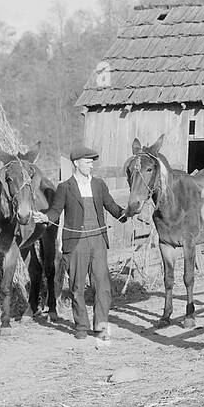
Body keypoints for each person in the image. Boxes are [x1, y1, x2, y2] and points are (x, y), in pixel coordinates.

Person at [40, 145, 138, 340]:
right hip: (76, 242)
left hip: (98, 239)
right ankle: (81, 326)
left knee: (102, 285)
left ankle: (101, 325)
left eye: (92, 162)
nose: (91, 166)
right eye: (87, 162)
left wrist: (126, 213)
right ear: (76, 163)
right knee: (77, 286)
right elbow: (55, 212)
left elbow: (112, 206)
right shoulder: (65, 187)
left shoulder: (99, 185)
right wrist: (44, 218)